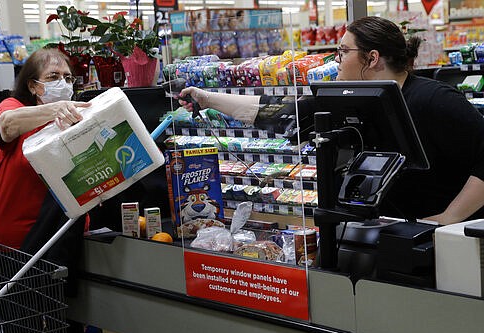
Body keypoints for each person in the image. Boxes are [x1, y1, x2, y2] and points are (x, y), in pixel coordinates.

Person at [179, 16, 484, 226]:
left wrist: (449, 218)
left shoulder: (436, 100)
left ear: (372, 58)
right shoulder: (351, 97)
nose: (335, 61)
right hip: (386, 229)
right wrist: (206, 98)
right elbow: (279, 112)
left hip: (443, 240)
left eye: (342, 52)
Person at [0, 47, 91, 333]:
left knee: (60, 325)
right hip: (12, 240)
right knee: (22, 326)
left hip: (55, 239)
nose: (63, 84)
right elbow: (7, 125)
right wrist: (56, 110)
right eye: (53, 76)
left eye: (68, 78)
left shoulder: (72, 121)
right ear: (33, 85)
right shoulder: (13, 106)